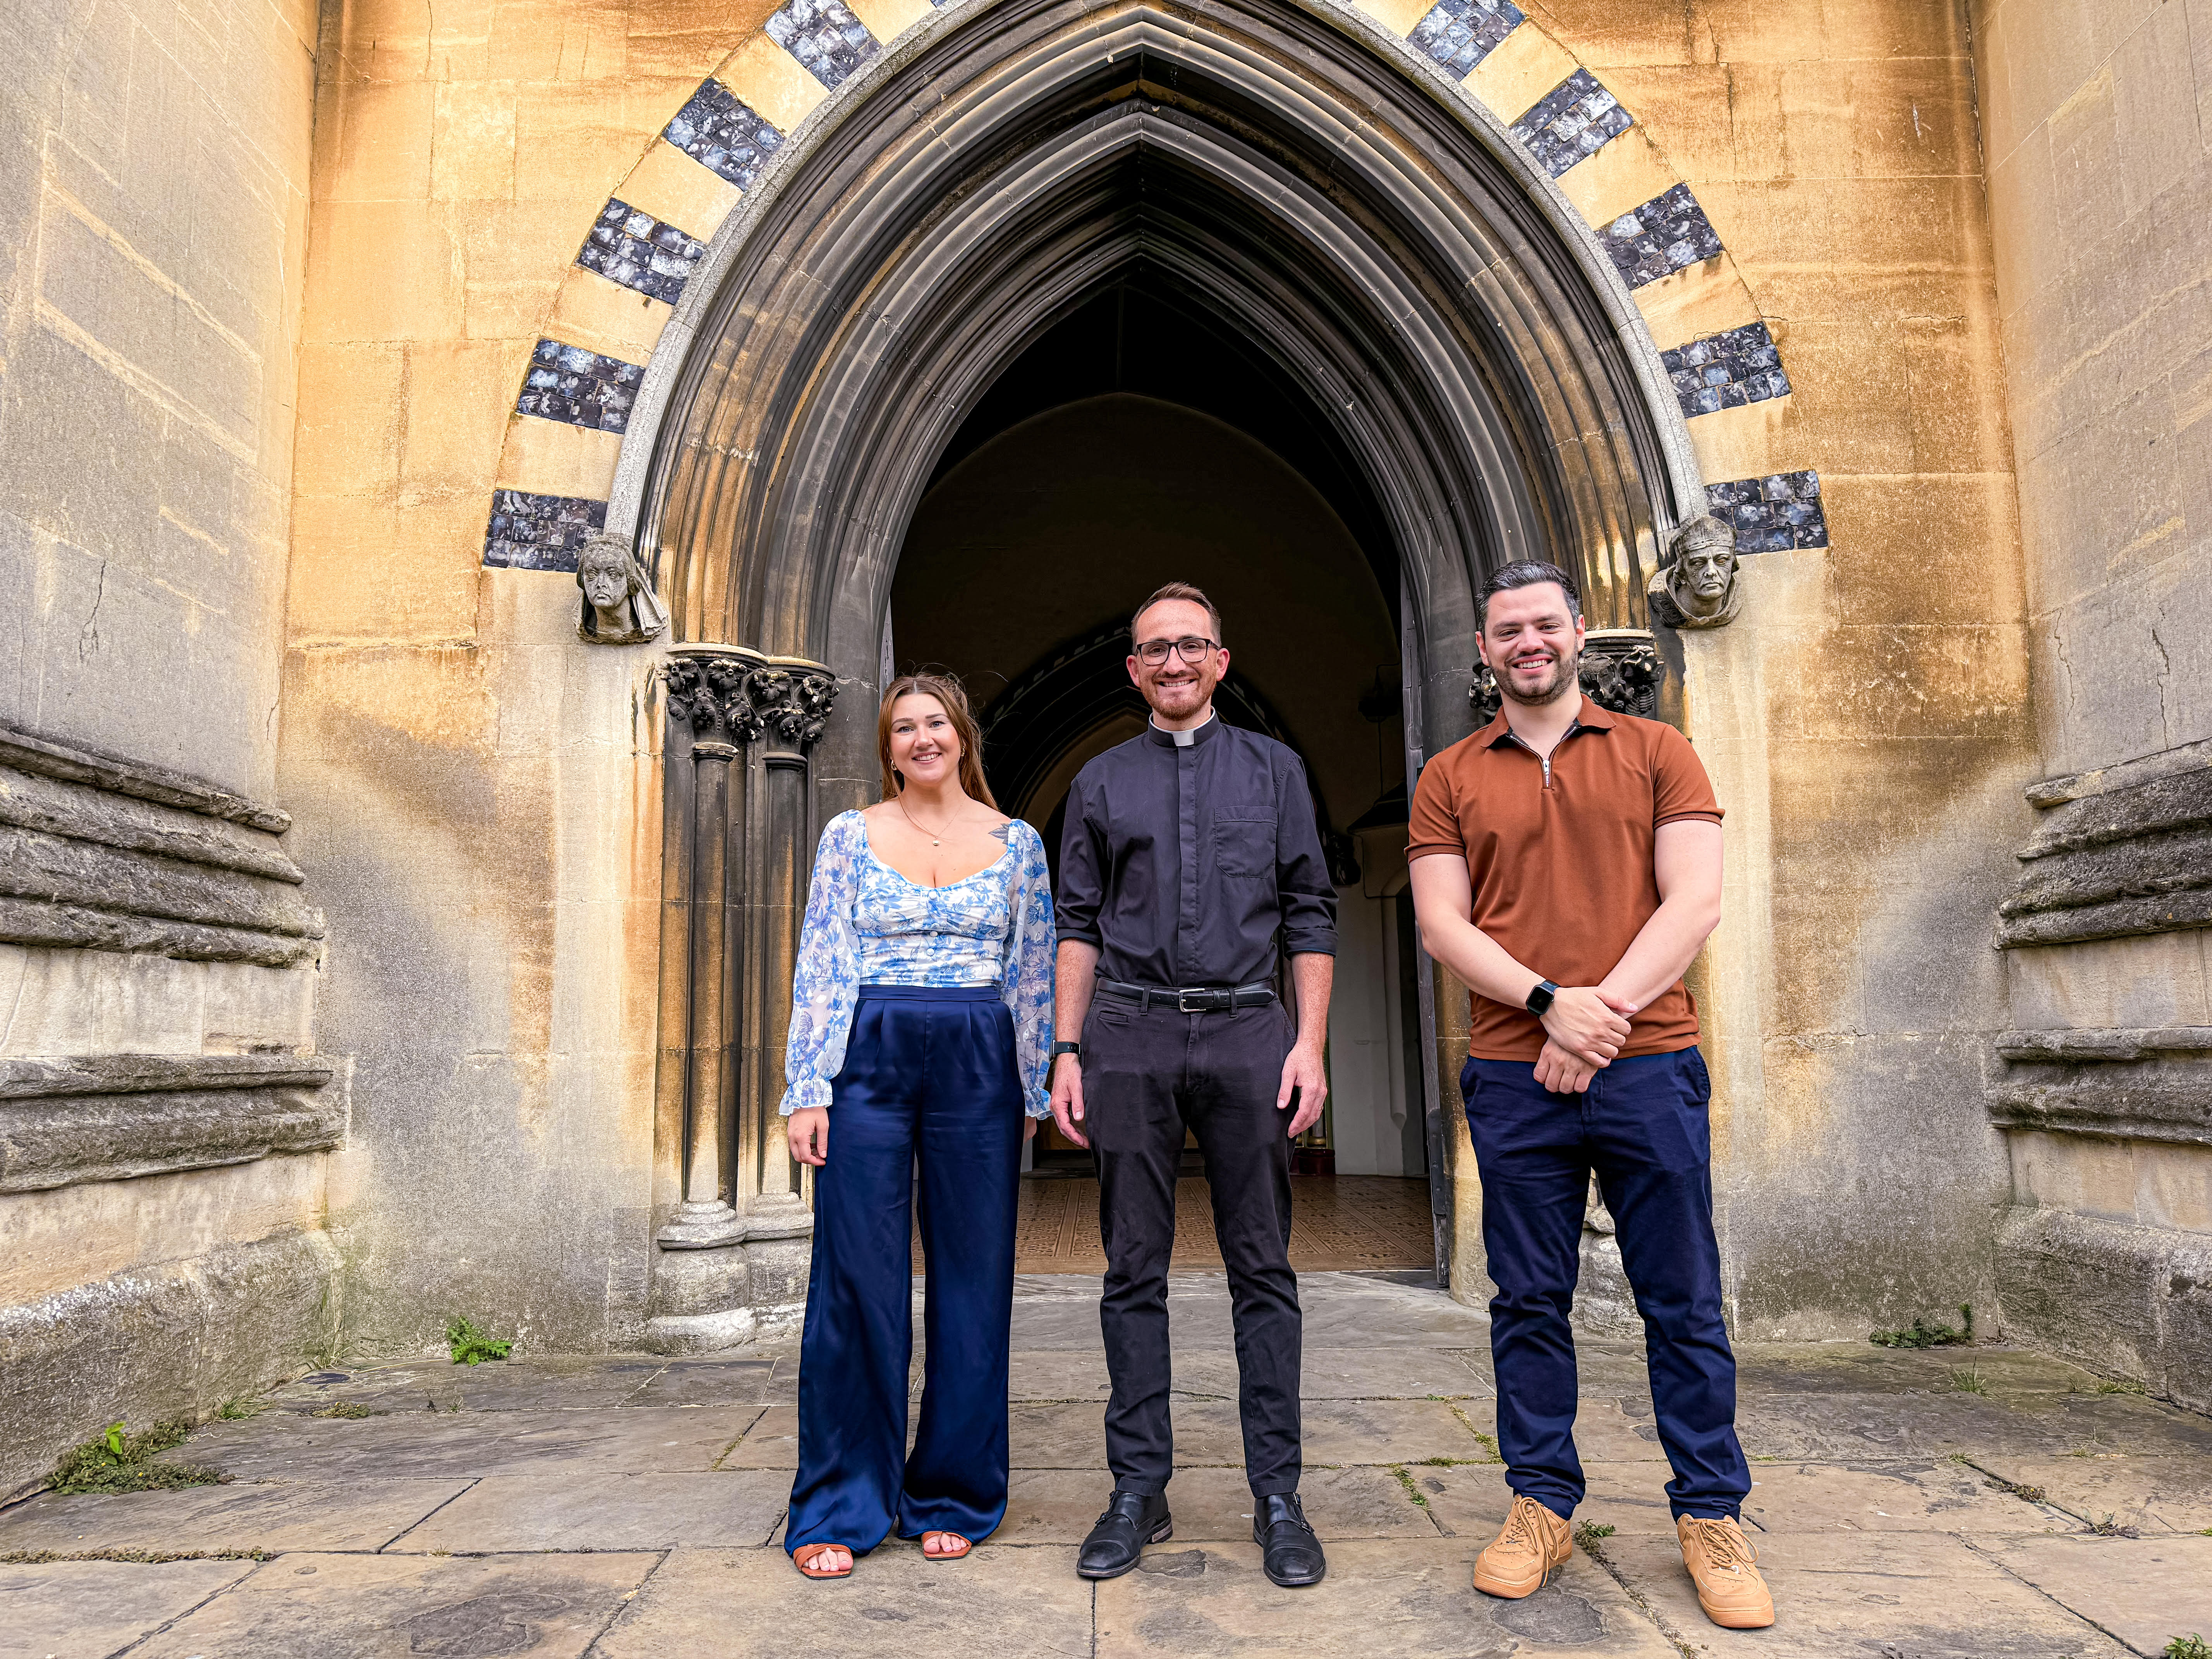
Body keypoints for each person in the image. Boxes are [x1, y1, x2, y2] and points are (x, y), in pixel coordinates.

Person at [1407, 560, 1773, 1631]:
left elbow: (1695, 899)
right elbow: (1443, 922)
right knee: (1526, 1300)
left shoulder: (1659, 750)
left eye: (1544, 624)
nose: (1528, 642)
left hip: (1649, 1060)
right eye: (1506, 629)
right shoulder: (1450, 775)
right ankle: (1541, 1503)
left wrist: (1594, 1013)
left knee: (1683, 1299)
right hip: (1517, 1076)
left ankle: (1710, 1513)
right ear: (1485, 649)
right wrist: (1544, 1002)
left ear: (1579, 632)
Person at [1049, 581, 1337, 1590]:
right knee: (1133, 1269)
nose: (1173, 662)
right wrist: (1067, 1049)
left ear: (1222, 658)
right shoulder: (1098, 782)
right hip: (1128, 1027)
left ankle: (1278, 1495)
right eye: (1154, 649)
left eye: (1191, 646)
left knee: (1263, 1270)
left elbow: (1311, 913)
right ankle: (1139, 1488)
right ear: (1134, 669)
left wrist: (1309, 1046)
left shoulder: (1277, 773)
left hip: (1250, 1031)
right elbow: (1076, 922)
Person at [779, 673, 1055, 1580]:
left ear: (962, 735)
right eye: (905, 729)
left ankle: (954, 1492)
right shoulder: (849, 836)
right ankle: (843, 1499)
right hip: (872, 1051)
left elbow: (1032, 972)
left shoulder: (1018, 844)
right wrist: (807, 1086)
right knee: (856, 1273)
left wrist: (1034, 1086)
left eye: (936, 723)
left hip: (978, 1053)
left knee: (975, 1278)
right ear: (888, 746)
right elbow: (823, 956)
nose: (922, 739)